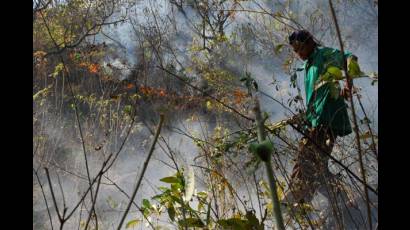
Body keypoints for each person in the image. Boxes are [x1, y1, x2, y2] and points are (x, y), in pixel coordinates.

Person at [282, 30, 355, 207]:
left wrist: (348, 84)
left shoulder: (323, 55)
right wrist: (304, 117)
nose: (298, 53)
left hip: (327, 120)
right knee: (318, 168)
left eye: (299, 48)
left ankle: (294, 205)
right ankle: (344, 202)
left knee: (305, 162)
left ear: (309, 43)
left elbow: (350, 58)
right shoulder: (308, 66)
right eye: (295, 50)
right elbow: (316, 97)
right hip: (316, 121)